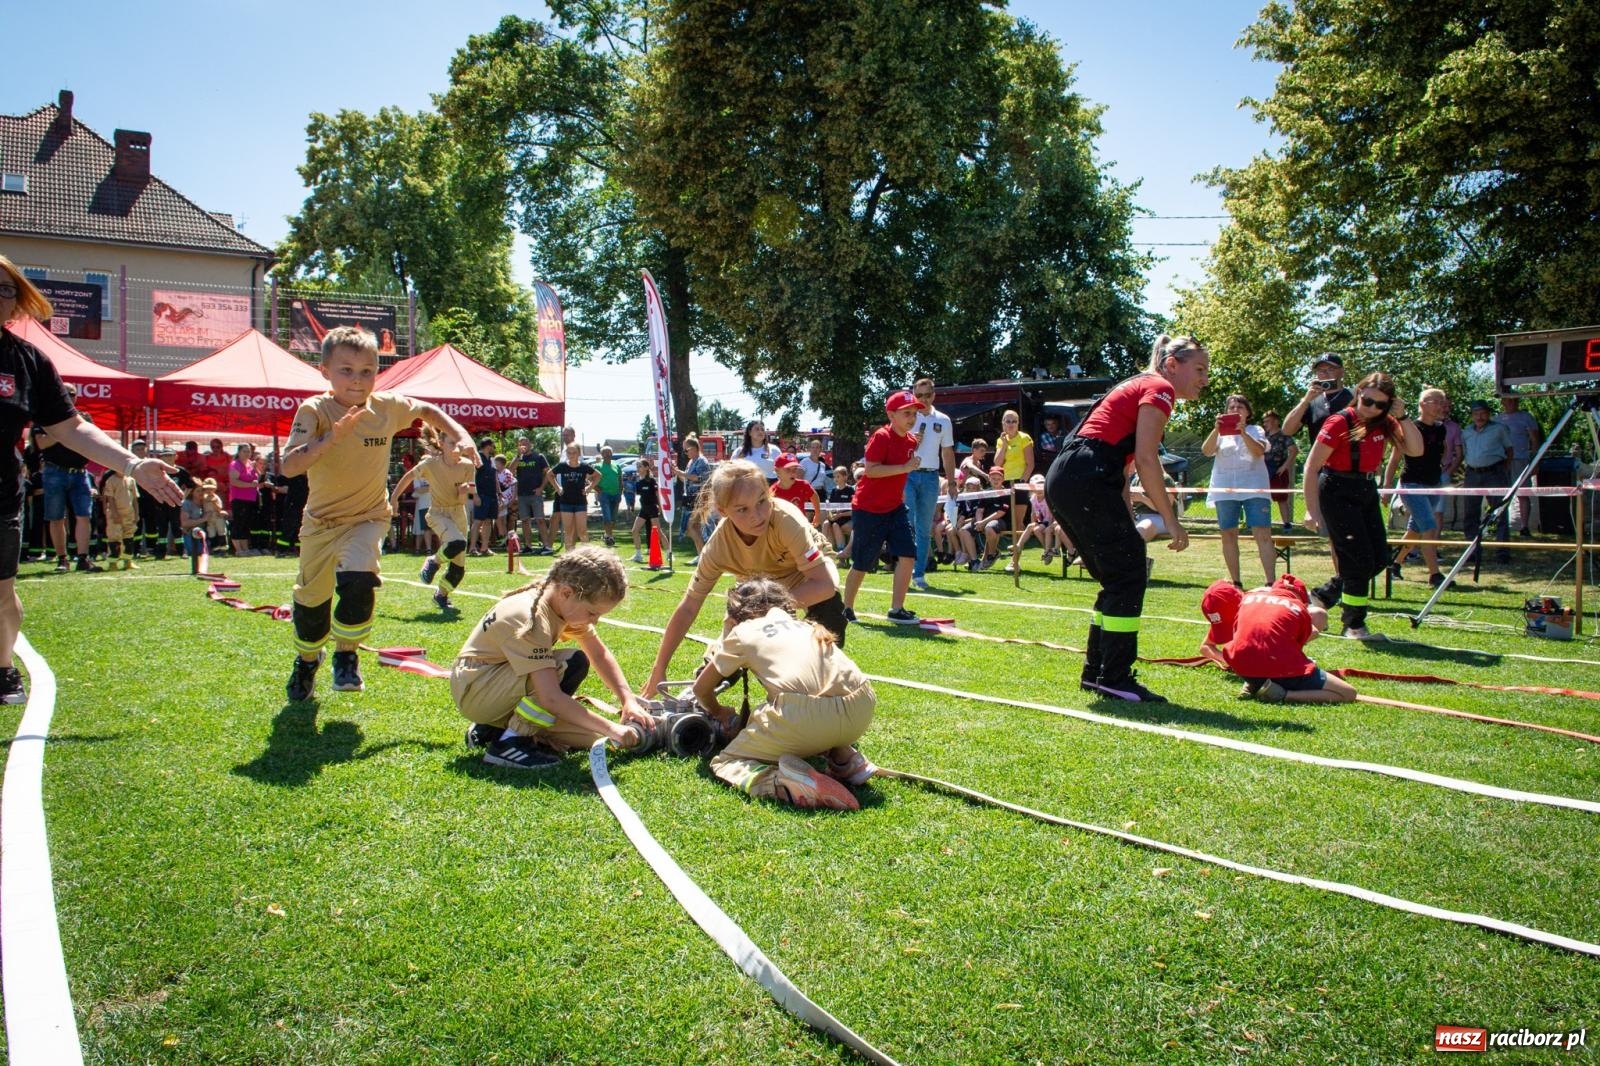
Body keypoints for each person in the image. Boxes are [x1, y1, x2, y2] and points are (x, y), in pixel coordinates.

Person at [0, 257, 183, 700]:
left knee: (1, 594)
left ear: (17, 303)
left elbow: (71, 427)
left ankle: (2, 667)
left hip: (0, 496)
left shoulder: (26, 360)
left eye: (6, 290)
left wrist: (133, 465)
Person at [281, 325, 473, 700]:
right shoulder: (314, 410)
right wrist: (330, 439)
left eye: (367, 371)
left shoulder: (385, 407)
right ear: (325, 371)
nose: (357, 379)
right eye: (346, 370)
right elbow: (289, 466)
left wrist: (461, 434)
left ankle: (346, 655)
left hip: (368, 518)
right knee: (312, 604)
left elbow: (427, 410)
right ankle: (307, 661)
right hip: (320, 524)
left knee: (359, 577)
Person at [1045, 334, 1209, 702]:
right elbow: (1147, 460)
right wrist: (1172, 519)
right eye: (1199, 369)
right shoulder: (1160, 388)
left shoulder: (1139, 385)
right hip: (1086, 474)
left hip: (1070, 475)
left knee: (1119, 574)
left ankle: (1098, 673)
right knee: (1128, 573)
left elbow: (1123, 469)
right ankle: (1114, 677)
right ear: (1172, 365)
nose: (1205, 379)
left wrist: (1128, 518)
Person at [642, 459, 848, 695]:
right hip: (759, 588)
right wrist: (659, 668)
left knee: (828, 618)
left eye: (762, 501)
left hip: (807, 576)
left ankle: (824, 684)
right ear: (723, 511)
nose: (757, 516)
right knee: (735, 645)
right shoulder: (718, 547)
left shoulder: (785, 520)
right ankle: (703, 684)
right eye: (742, 509)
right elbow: (689, 606)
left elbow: (823, 584)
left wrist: (764, 612)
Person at [451, 545, 650, 770]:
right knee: (569, 664)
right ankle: (510, 742)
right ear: (566, 592)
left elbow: (599, 653)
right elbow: (550, 698)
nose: (594, 621)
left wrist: (628, 700)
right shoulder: (532, 617)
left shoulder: (558, 603)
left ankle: (492, 728)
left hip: (480, 684)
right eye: (592, 613)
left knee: (590, 732)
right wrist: (613, 730)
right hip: (477, 691)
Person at [696, 578, 877, 811]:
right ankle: (846, 758)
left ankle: (781, 783)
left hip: (804, 719)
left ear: (735, 615)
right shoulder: (807, 626)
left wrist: (719, 711)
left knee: (725, 762)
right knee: (800, 706)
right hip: (862, 704)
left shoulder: (743, 631)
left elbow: (701, 689)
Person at [1302, 372, 1422, 639]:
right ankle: (1354, 624)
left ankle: (1323, 595)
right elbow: (1311, 467)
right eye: (1367, 401)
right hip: (1337, 489)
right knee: (1358, 560)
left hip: (1366, 488)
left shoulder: (1386, 422)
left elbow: (1415, 450)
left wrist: (1403, 417)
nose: (1372, 408)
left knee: (1379, 559)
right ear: (1358, 394)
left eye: (1380, 404)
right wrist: (1311, 510)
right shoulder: (1339, 421)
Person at [1198, 575, 1357, 704]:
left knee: (1314, 617)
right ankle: (1282, 691)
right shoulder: (1254, 600)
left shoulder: (1250, 600)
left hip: (1246, 665)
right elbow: (1312, 632)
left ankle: (1257, 680)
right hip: (1275, 663)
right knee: (1348, 693)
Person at [842, 390, 923, 626]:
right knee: (863, 562)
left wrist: (904, 475)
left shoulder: (911, 442)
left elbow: (898, 472)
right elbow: (871, 470)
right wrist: (905, 467)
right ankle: (846, 608)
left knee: (908, 554)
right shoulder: (881, 436)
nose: (912, 418)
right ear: (891, 415)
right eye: (906, 413)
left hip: (895, 508)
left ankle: (897, 609)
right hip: (868, 508)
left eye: (914, 413)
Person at [390, 426, 478, 612]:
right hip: (438, 513)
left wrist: (463, 492)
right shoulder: (430, 464)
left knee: (458, 568)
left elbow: (464, 499)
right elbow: (408, 477)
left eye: (459, 444)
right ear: (441, 444)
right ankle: (433, 561)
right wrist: (394, 498)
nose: (457, 448)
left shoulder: (468, 466)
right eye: (452, 443)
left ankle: (441, 596)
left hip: (459, 513)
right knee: (457, 543)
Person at [1202, 394, 1276, 588]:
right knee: (1228, 534)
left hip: (1254, 487)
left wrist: (1243, 433)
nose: (1235, 410)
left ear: (1248, 412)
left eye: (1240, 407)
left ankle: (1270, 582)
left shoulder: (1256, 430)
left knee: (1262, 534)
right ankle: (1236, 582)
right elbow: (1206, 451)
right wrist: (1216, 429)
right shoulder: (1220, 434)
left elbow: (1258, 451)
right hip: (1225, 489)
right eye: (1231, 407)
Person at [1384, 386, 1451, 587]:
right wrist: (1387, 486)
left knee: (1416, 528)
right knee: (1429, 526)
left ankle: (1394, 563)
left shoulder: (1441, 428)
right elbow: (1394, 459)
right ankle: (1435, 575)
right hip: (1412, 484)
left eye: (1442, 402)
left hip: (1433, 484)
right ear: (1422, 404)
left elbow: (1442, 452)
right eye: (1435, 401)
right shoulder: (1410, 427)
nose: (1440, 406)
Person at [904, 378, 957, 592]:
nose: (923, 399)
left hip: (931, 477)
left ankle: (919, 574)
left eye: (927, 395)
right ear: (913, 396)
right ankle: (904, 571)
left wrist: (952, 482)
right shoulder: (907, 416)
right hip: (907, 475)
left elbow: (947, 452)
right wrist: (910, 442)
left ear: (934, 396)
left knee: (924, 529)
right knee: (906, 525)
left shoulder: (943, 420)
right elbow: (894, 447)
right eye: (919, 395)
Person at [1458, 399, 1514, 564]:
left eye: (1483, 413)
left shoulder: (1499, 429)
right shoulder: (1466, 432)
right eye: (1476, 413)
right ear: (1472, 415)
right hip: (1472, 474)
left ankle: (1502, 552)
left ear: (1488, 414)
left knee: (1500, 512)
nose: (1480, 417)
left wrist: (1503, 469)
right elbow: (1464, 452)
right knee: (1470, 513)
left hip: (1494, 472)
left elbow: (1510, 450)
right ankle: (1472, 551)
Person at [1497, 395, 1543, 537]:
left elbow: (1535, 440)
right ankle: (1499, 524)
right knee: (1499, 494)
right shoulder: (1496, 419)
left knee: (1522, 493)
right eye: (1509, 400)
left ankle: (1524, 527)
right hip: (1501, 461)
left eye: (1515, 400)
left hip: (1520, 459)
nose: (1512, 402)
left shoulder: (1526, 417)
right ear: (1502, 401)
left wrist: (1535, 461)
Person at [993, 408, 1034, 549]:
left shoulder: (1024, 438)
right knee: (1004, 517)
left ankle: (1017, 553)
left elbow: (1030, 464)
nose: (1011, 424)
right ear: (1003, 423)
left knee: (1018, 520)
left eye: (1014, 421)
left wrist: (1022, 482)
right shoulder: (1000, 440)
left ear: (1018, 423)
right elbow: (997, 463)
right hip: (1004, 482)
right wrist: (1005, 444)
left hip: (1019, 482)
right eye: (1008, 421)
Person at [547, 442, 597, 553]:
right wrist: (558, 488)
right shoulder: (562, 466)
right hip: (566, 502)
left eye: (574, 452)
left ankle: (586, 554)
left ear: (579, 453)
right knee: (568, 531)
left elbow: (598, 475)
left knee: (582, 531)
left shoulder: (584, 466)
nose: (571, 455)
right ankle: (569, 554)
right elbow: (549, 474)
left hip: (580, 502)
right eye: (569, 453)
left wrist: (589, 488)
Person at [510, 436, 551, 555]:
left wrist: (541, 488)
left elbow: (548, 473)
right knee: (524, 521)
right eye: (521, 444)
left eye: (526, 443)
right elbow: (510, 471)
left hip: (535, 494)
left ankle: (546, 546)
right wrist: (518, 456)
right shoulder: (518, 458)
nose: (523, 446)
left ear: (530, 444)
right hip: (522, 494)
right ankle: (528, 546)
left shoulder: (539, 457)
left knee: (540, 520)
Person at [1261, 410, 1298, 530]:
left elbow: (1294, 450)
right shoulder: (1263, 436)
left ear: (1276, 421)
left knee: (1281, 498)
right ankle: (1263, 523)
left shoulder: (1284, 435)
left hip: (1278, 470)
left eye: (1268, 421)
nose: (1265, 424)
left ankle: (1286, 524)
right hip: (1263, 470)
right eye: (1264, 422)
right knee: (1262, 497)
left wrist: (1285, 466)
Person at [97, 464, 138, 570]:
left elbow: (134, 498)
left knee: (128, 537)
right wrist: (114, 514)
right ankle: (113, 562)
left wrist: (136, 513)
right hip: (115, 515)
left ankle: (128, 561)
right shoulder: (111, 480)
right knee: (114, 537)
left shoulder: (131, 480)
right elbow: (110, 499)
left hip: (129, 514)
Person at [677, 435, 711, 557]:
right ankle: (701, 555)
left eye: (687, 450)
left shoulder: (701, 461)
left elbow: (700, 478)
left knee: (691, 527)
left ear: (695, 448)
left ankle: (703, 555)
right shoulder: (691, 462)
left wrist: (681, 473)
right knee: (693, 528)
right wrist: (677, 473)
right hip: (691, 499)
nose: (685, 453)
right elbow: (687, 480)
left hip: (700, 499)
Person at [629, 458, 666, 564]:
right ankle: (638, 555)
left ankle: (669, 553)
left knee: (658, 532)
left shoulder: (652, 481)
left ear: (646, 468)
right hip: (644, 509)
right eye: (637, 466)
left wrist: (660, 507)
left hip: (652, 508)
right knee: (634, 530)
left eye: (640, 466)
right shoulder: (639, 482)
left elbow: (657, 495)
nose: (638, 468)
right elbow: (639, 495)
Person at [227, 443, 261, 557]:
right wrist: (250, 485)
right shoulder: (235, 464)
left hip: (250, 498)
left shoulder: (251, 464)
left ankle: (245, 549)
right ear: (239, 452)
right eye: (244, 451)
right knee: (239, 523)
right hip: (239, 498)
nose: (247, 453)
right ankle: (238, 549)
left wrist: (255, 468)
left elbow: (258, 477)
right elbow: (234, 481)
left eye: (248, 451)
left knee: (246, 524)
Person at [771, 453, 821, 527]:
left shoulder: (803, 485)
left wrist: (817, 514)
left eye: (795, 469)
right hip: (782, 529)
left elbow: (814, 496)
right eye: (788, 469)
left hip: (801, 526)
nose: (792, 473)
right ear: (777, 471)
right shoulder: (772, 492)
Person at [469, 438, 499, 555]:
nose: (493, 448)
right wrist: (475, 495)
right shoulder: (477, 457)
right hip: (481, 494)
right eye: (493, 446)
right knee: (477, 521)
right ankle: (472, 548)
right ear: (488, 445)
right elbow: (471, 476)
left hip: (492, 495)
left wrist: (499, 493)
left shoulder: (491, 460)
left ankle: (484, 548)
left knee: (488, 521)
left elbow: (495, 477)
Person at [822, 465, 854, 558]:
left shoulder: (850, 490)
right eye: (834, 476)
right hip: (836, 517)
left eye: (838, 476)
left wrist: (840, 514)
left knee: (835, 525)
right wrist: (829, 514)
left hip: (846, 517)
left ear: (845, 477)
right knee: (825, 524)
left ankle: (841, 552)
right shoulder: (833, 490)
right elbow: (830, 506)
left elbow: (853, 509)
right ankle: (825, 549)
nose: (835, 479)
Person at [595, 445, 624, 546]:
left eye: (609, 452)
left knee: (613, 518)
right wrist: (597, 488)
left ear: (612, 454)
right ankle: (610, 537)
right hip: (604, 495)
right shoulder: (598, 466)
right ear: (602, 454)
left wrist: (620, 492)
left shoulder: (617, 465)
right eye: (605, 453)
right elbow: (590, 478)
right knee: (607, 517)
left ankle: (606, 535)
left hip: (616, 494)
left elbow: (620, 480)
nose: (607, 454)